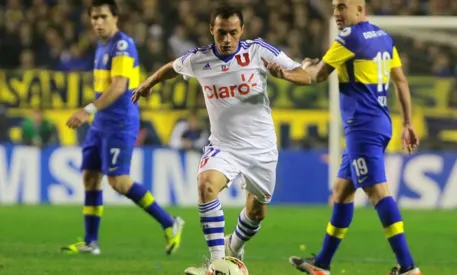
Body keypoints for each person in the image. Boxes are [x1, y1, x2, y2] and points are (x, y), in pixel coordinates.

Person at [132, 5, 311, 275]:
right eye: (221, 33)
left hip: (261, 148)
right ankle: (217, 264)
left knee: (257, 212)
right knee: (206, 185)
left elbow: (305, 75)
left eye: (232, 33)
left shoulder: (257, 51)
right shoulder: (199, 59)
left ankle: (233, 248)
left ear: (242, 31)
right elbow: (172, 67)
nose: (227, 39)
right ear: (211, 31)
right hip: (223, 145)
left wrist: (284, 74)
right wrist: (149, 82)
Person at [288, 1, 421, 275]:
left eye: (343, 7)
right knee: (342, 190)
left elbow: (317, 76)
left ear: (360, 10)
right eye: (335, 7)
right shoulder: (383, 37)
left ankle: (408, 267)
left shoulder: (349, 37)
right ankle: (322, 264)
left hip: (362, 127)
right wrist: (407, 122)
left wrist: (304, 65)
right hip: (379, 123)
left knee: (377, 192)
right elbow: (401, 81)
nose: (336, 13)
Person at [61, 0, 184, 256]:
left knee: (118, 181)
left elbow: (119, 87)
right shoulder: (102, 45)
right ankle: (91, 242)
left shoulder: (121, 45)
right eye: (94, 18)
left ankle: (170, 222)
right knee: (91, 176)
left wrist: (87, 110)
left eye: (103, 17)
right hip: (102, 123)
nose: (98, 22)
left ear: (115, 18)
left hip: (119, 122)